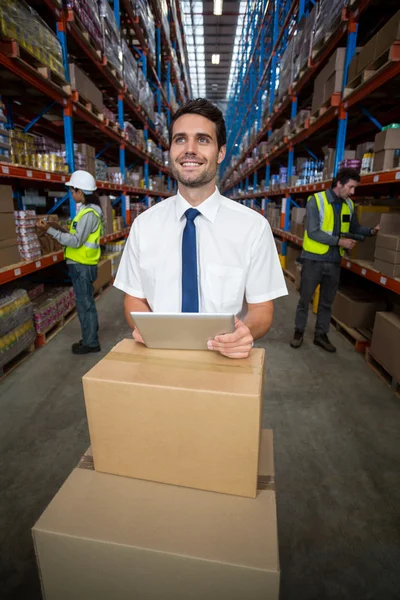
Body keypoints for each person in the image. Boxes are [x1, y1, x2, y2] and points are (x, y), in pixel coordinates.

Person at [114, 98, 287, 359]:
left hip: (224, 361)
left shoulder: (253, 227)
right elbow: (134, 299)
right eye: (180, 139)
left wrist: (245, 331)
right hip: (158, 358)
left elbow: (262, 308)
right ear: (171, 149)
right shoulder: (144, 226)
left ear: (220, 152)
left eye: (203, 140)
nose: (189, 150)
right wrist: (143, 328)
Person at [290, 167, 380, 353]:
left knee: (326, 301)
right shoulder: (316, 201)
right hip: (314, 259)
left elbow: (354, 227)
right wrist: (341, 241)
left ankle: (320, 335)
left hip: (334, 261)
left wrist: (371, 231)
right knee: (305, 299)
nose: (353, 192)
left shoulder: (349, 204)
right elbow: (313, 232)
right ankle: (298, 332)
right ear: (339, 183)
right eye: (351, 187)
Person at [38, 170, 103, 355]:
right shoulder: (84, 211)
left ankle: (91, 342)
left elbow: (76, 241)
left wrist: (50, 232)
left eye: (72, 191)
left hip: (82, 265)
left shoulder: (89, 213)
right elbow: (76, 234)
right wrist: (57, 227)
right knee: (85, 304)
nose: (71, 194)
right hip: (81, 264)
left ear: (80, 192)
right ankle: (89, 338)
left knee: (85, 305)